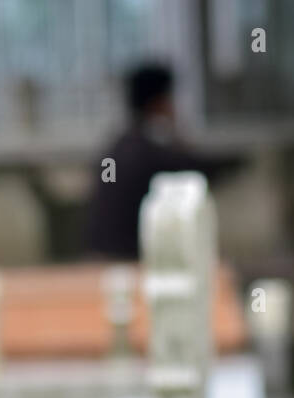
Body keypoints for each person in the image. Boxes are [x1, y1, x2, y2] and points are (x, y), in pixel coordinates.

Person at [83, 63, 238, 260]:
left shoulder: (119, 145)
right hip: (125, 260)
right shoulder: (150, 152)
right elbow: (200, 172)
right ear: (160, 102)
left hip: (101, 254)